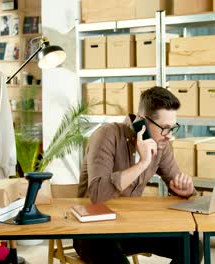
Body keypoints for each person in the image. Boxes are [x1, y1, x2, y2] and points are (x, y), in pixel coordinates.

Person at [74, 87, 201, 264]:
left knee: (192, 247)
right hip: (93, 231)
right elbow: (97, 194)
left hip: (132, 226)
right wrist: (142, 163)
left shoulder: (161, 145)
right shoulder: (106, 135)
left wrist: (186, 190)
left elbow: (178, 184)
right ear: (142, 122)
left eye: (173, 128)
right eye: (164, 128)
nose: (169, 136)